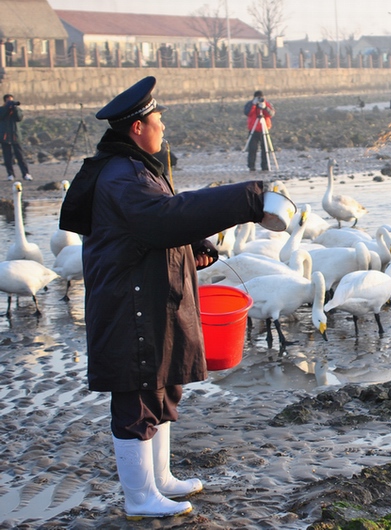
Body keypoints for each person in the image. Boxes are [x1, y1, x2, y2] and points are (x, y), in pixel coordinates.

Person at [58, 76, 280, 520]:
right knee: (137, 393)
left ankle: (159, 479)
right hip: (128, 301)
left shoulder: (136, 168)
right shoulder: (124, 175)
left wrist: (193, 245)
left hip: (147, 294)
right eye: (158, 120)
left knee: (160, 385)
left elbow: (157, 229)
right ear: (138, 127)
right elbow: (161, 218)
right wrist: (250, 198)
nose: (163, 127)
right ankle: (139, 497)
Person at [0, 94, 32, 181]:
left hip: (15, 136)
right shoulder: (2, 109)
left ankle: (26, 173)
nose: (10, 102)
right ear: (5, 101)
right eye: (8, 101)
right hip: (5, 137)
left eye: (11, 100)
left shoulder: (16, 110)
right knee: (7, 157)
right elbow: (1, 116)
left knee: (20, 156)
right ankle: (10, 174)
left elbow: (19, 118)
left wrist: (14, 108)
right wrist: (7, 107)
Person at [245, 90, 275, 171]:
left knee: (265, 149)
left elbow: (271, 114)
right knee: (252, 149)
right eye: (257, 98)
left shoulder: (267, 104)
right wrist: (253, 105)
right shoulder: (250, 104)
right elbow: (247, 113)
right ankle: (251, 166)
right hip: (253, 129)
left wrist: (265, 107)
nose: (259, 99)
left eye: (260, 98)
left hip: (264, 129)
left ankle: (265, 166)